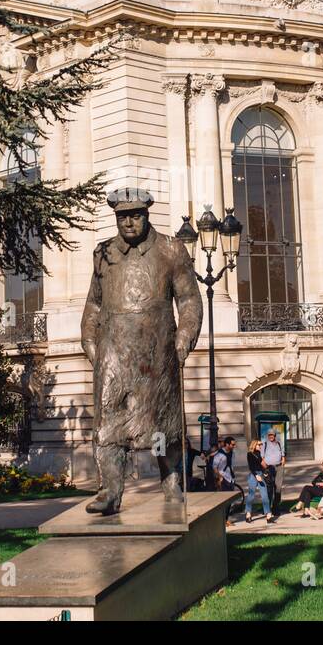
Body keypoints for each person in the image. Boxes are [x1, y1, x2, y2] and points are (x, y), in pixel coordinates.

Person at [79, 187, 203, 515]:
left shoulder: (171, 250)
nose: (129, 223)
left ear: (146, 215)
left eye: (135, 215)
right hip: (113, 354)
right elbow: (94, 302)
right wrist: (89, 340)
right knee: (108, 423)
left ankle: (172, 480)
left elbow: (189, 299)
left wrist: (183, 340)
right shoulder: (103, 253)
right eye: (123, 217)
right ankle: (109, 490)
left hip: (158, 351)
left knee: (164, 422)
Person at [210, 436, 243, 525]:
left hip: (230, 478)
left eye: (234, 444)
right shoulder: (219, 454)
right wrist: (219, 477)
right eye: (232, 444)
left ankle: (226, 519)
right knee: (224, 501)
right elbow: (214, 467)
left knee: (229, 501)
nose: (234, 446)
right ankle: (222, 520)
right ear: (227, 444)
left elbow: (231, 465)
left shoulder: (233, 453)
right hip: (223, 478)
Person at [244, 439, 273, 523]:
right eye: (259, 444)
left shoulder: (258, 453)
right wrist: (256, 475)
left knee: (265, 495)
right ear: (254, 445)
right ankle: (248, 514)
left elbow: (260, 465)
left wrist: (264, 473)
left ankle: (268, 514)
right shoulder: (249, 454)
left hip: (260, 474)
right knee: (251, 495)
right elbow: (251, 467)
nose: (261, 446)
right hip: (253, 475)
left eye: (261, 444)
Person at [261, 429, 284, 517]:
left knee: (278, 488)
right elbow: (262, 458)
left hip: (279, 467)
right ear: (268, 436)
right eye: (269, 435)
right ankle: (267, 509)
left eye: (272, 435)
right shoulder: (265, 444)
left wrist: (282, 463)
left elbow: (283, 455)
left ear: (275, 435)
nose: (271, 436)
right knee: (269, 489)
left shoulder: (279, 443)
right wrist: (265, 468)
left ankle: (276, 508)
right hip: (269, 468)